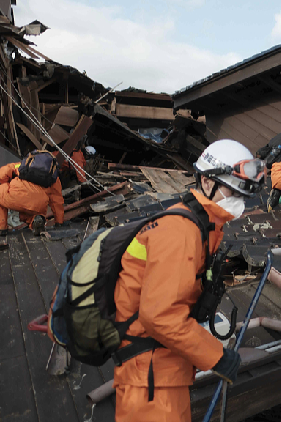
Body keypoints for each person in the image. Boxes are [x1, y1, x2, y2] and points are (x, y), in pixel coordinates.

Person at [112, 139, 264, 422]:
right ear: (207, 182)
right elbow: (160, 316)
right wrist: (216, 356)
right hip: (151, 378)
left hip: (161, 365)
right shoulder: (181, 233)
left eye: (243, 195)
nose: (239, 201)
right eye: (233, 190)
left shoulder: (201, 225)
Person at [0, 158, 64, 236]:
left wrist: (9, 179)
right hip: (40, 203)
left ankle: (1, 229)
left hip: (19, 196)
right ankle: (36, 220)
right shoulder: (52, 174)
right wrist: (59, 222)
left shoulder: (21, 165)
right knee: (30, 210)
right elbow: (57, 201)